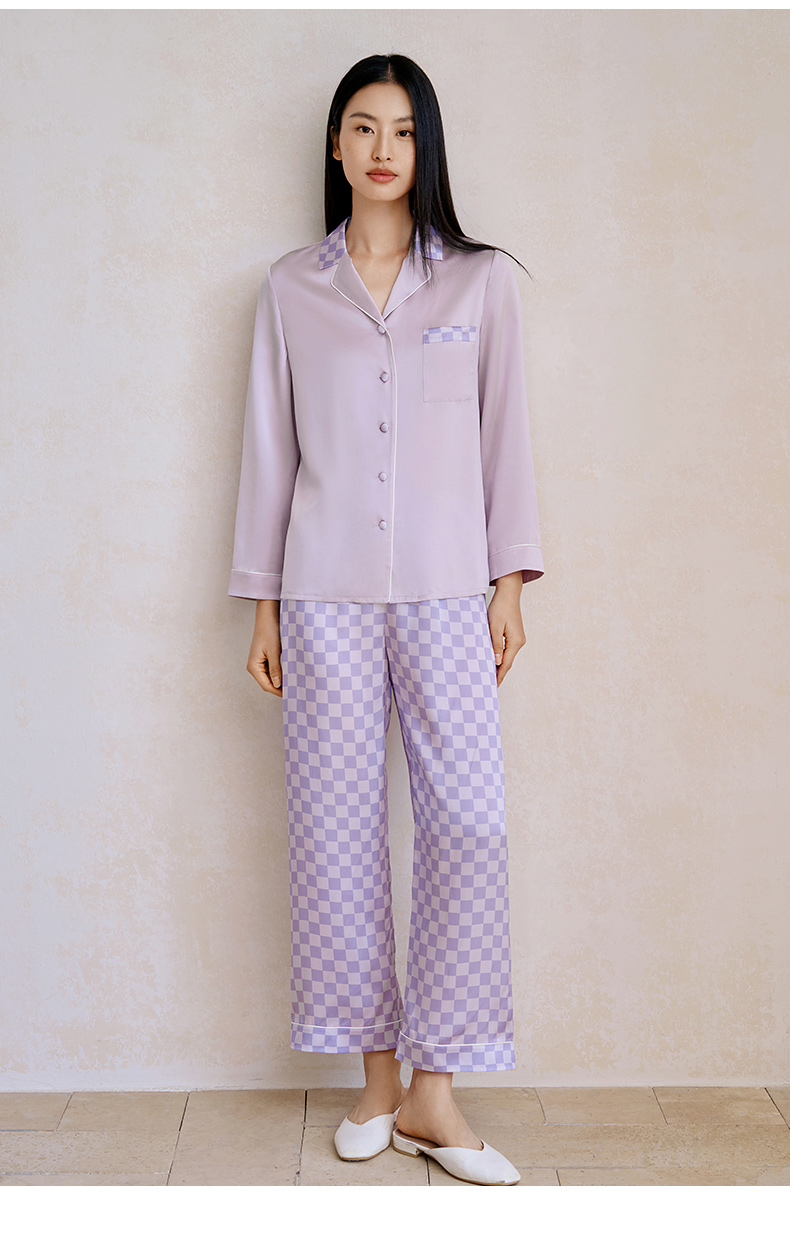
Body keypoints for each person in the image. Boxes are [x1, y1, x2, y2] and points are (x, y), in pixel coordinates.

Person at [227, 53, 544, 1186]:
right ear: (335, 145)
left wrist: (510, 582)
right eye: (362, 128)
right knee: (336, 833)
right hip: (321, 594)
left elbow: (506, 436)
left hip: (451, 594)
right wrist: (262, 602)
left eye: (402, 131)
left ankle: (434, 1094)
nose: (382, 150)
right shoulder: (290, 290)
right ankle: (374, 1084)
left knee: (468, 826)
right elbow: (270, 453)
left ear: (426, 148)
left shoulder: (479, 283)